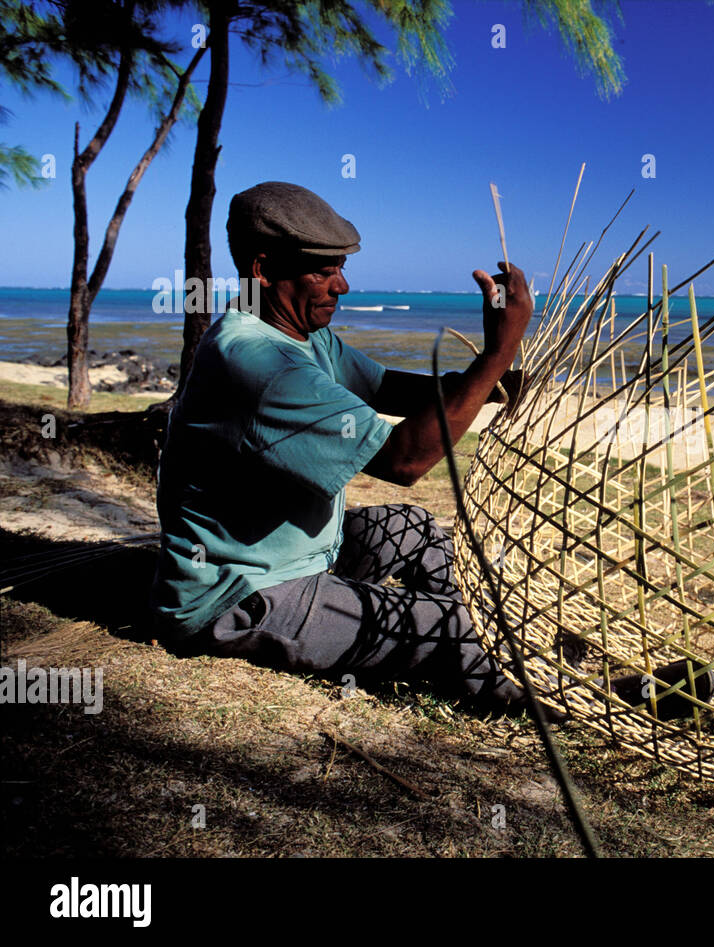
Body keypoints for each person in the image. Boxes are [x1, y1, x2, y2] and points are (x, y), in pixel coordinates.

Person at [148, 181, 535, 714]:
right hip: (241, 596)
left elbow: (389, 389)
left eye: (340, 267)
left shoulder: (304, 336)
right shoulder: (259, 365)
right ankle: (513, 683)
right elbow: (406, 460)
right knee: (442, 625)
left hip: (306, 558)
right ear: (263, 270)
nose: (343, 285)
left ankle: (484, 645)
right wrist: (498, 350)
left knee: (416, 529)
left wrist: (496, 380)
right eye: (322, 271)